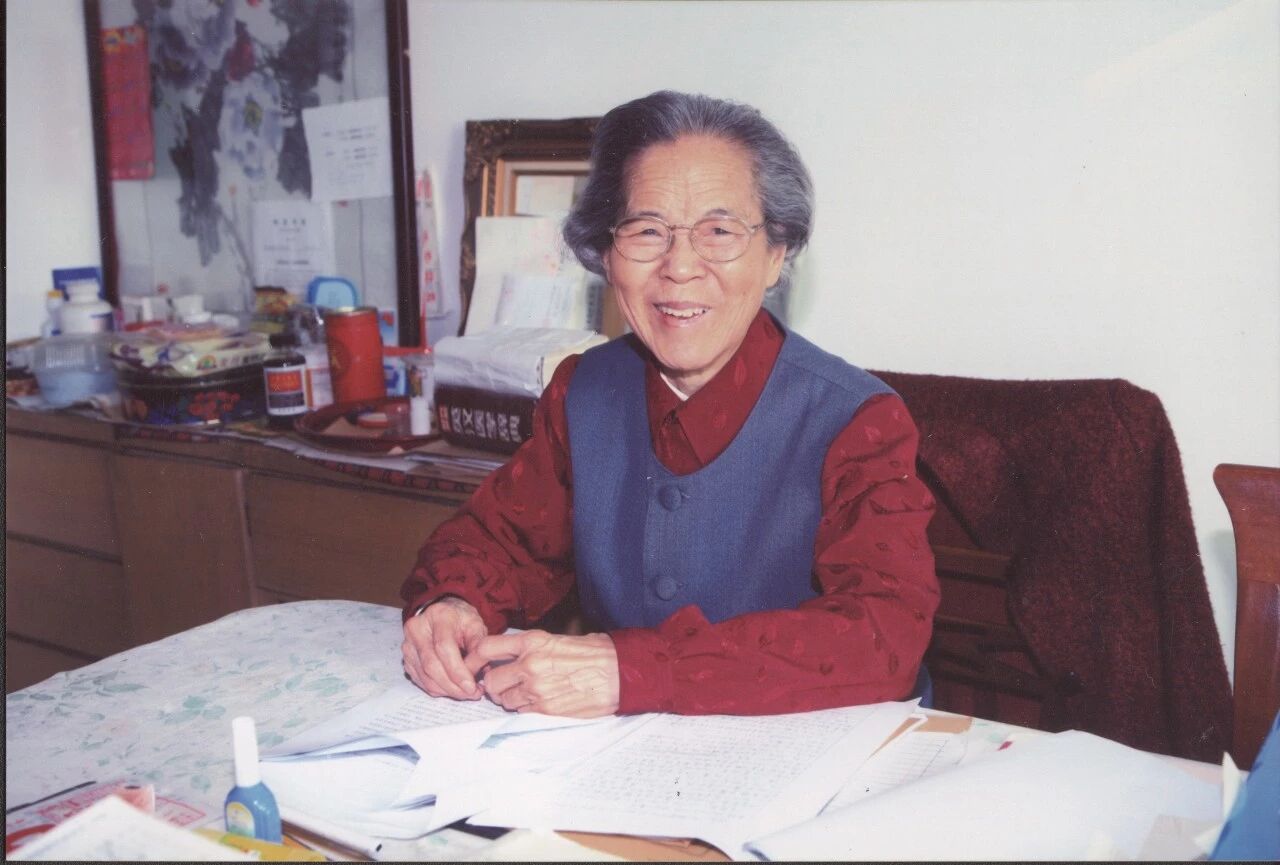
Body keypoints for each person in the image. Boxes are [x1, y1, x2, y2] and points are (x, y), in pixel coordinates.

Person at [401, 90, 939, 719]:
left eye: (719, 231)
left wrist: (633, 672)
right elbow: (501, 540)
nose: (680, 267)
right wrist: (453, 604)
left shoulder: (858, 420)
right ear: (607, 254)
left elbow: (882, 633)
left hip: (815, 745)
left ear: (776, 255)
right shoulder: (584, 392)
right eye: (647, 231)